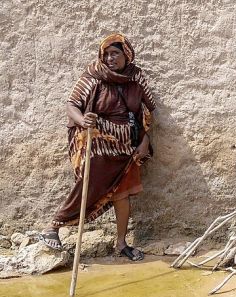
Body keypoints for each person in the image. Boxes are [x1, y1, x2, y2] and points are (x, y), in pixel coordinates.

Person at [38, 33, 157, 261]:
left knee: (122, 194)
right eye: (106, 54)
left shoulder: (136, 78)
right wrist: (83, 120)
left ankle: (121, 244)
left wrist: (145, 139)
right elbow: (72, 105)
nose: (110, 58)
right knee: (91, 180)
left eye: (115, 53)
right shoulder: (93, 75)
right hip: (96, 139)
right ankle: (53, 226)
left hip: (126, 144)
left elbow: (147, 111)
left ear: (127, 55)